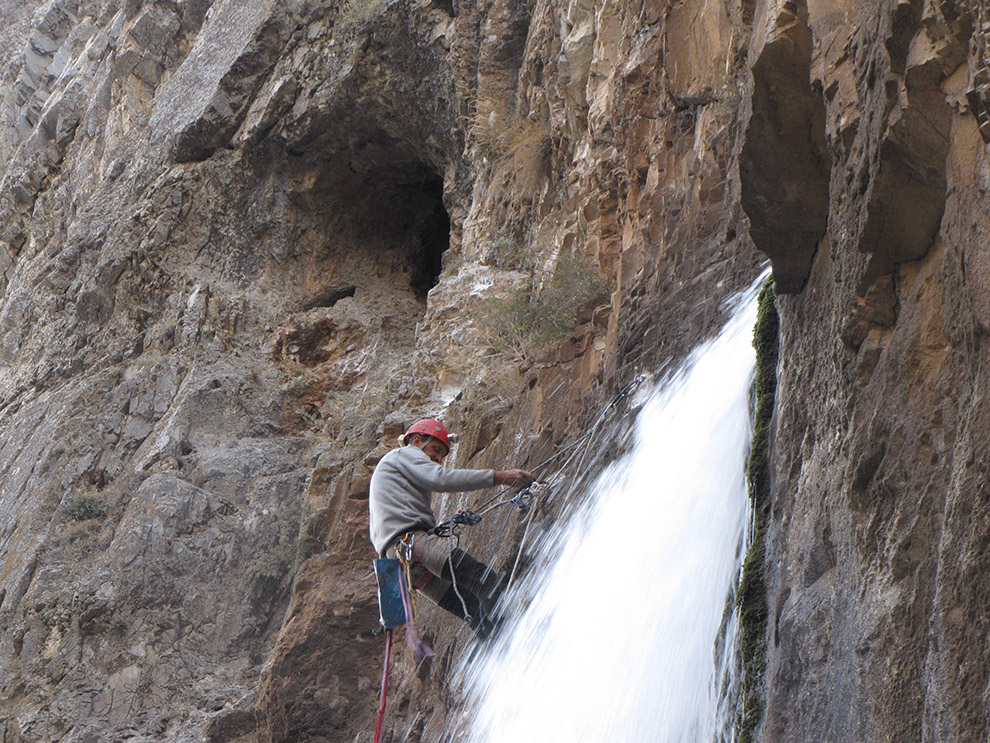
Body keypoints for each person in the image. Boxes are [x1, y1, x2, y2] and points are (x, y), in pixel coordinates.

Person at [369, 418, 534, 638]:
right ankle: (519, 640)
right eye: (436, 449)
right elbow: (440, 479)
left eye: (442, 456)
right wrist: (500, 477)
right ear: (417, 441)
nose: (438, 459)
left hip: (402, 562)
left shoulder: (393, 471)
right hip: (412, 544)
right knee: (482, 578)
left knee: (474, 609)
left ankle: (501, 654)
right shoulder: (405, 454)